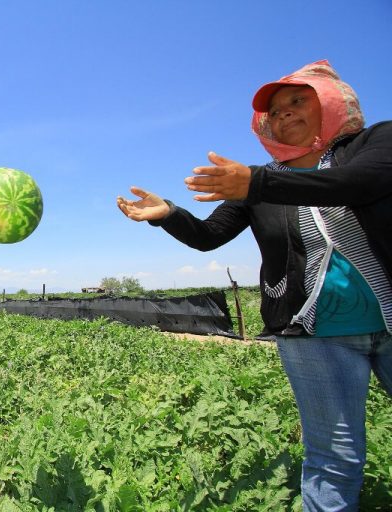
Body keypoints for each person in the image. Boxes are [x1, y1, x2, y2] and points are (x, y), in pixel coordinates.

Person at [117, 60, 392, 511]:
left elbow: (363, 183)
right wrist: (169, 212)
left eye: (297, 101)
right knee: (335, 459)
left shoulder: (374, 143)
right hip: (317, 335)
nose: (283, 114)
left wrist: (259, 181)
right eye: (275, 111)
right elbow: (208, 237)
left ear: (330, 103)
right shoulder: (257, 183)